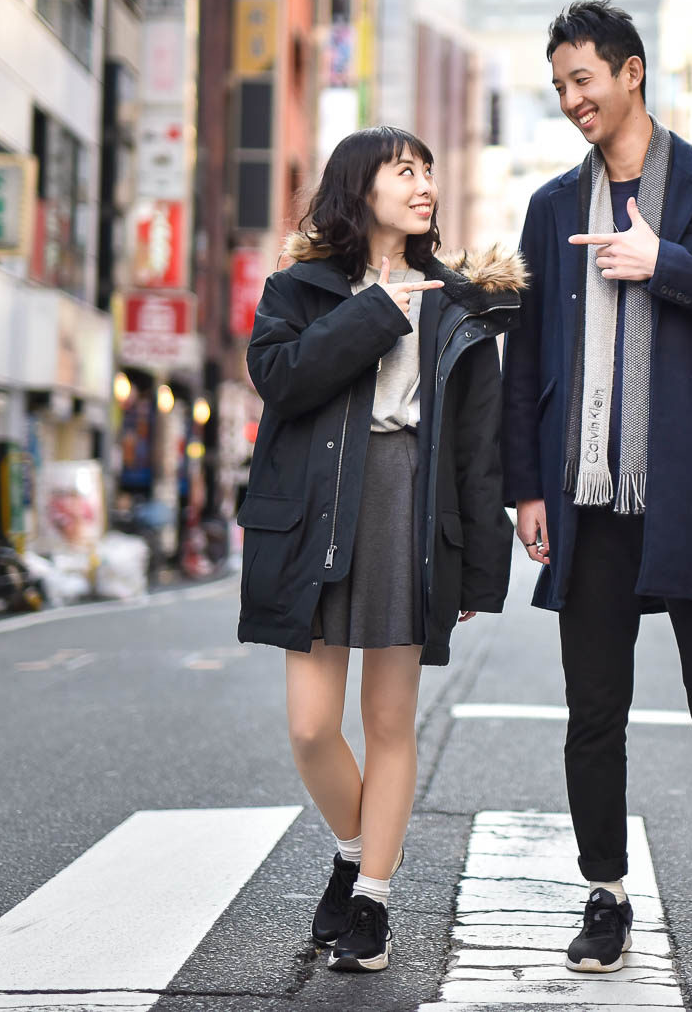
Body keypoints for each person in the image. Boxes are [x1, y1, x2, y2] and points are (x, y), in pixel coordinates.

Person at [502, 0, 692, 978]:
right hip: (588, 495)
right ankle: (607, 893)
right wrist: (526, 487)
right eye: (559, 87)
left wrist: (664, 262)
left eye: (583, 79)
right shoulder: (551, 209)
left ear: (632, 72)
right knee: (594, 711)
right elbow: (527, 354)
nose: (572, 100)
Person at [238, 126, 524, 973]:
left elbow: (479, 442)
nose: (423, 183)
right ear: (359, 188)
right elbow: (280, 380)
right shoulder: (299, 287)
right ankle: (356, 848)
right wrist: (371, 313)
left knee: (391, 720)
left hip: (412, 498)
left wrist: (479, 559)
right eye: (405, 170)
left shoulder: (459, 302)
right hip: (322, 507)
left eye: (428, 170)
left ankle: (372, 901)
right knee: (310, 726)